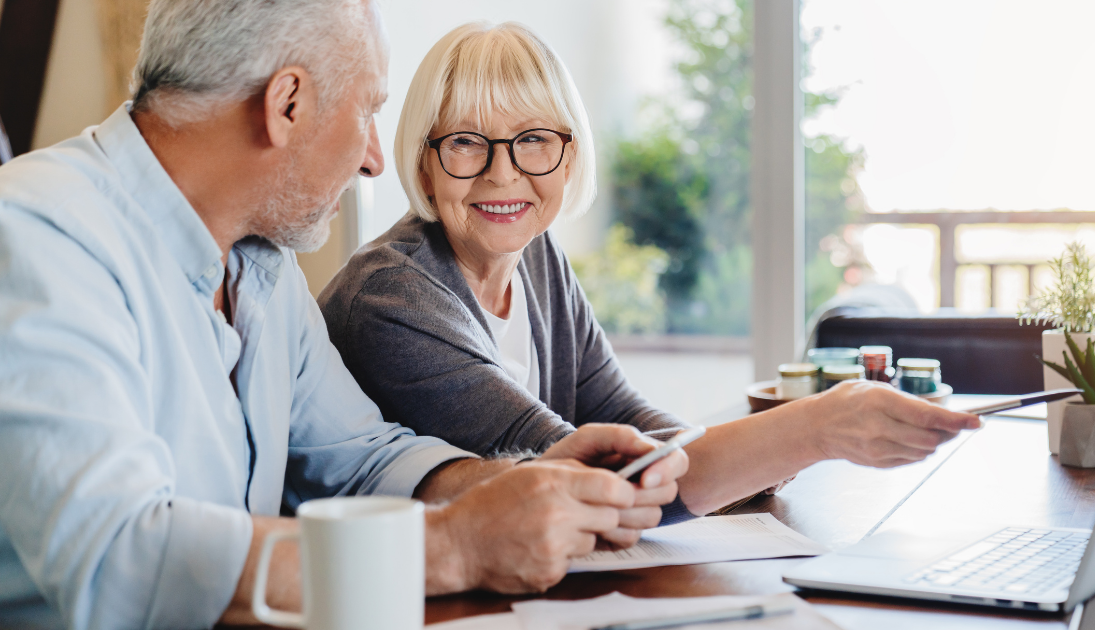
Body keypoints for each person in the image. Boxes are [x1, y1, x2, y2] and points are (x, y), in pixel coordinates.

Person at [0, 1, 688, 627]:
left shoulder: (261, 267)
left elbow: (360, 457)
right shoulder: (36, 235)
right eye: (367, 112)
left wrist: (516, 483)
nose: (371, 158)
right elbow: (117, 554)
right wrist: (451, 546)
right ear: (287, 104)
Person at [318, 21, 981, 522]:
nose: (502, 172)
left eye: (533, 140)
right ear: (424, 161)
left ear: (569, 156)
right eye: (465, 142)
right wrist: (808, 430)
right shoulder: (391, 298)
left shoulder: (538, 259)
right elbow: (586, 475)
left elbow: (622, 414)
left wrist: (746, 461)